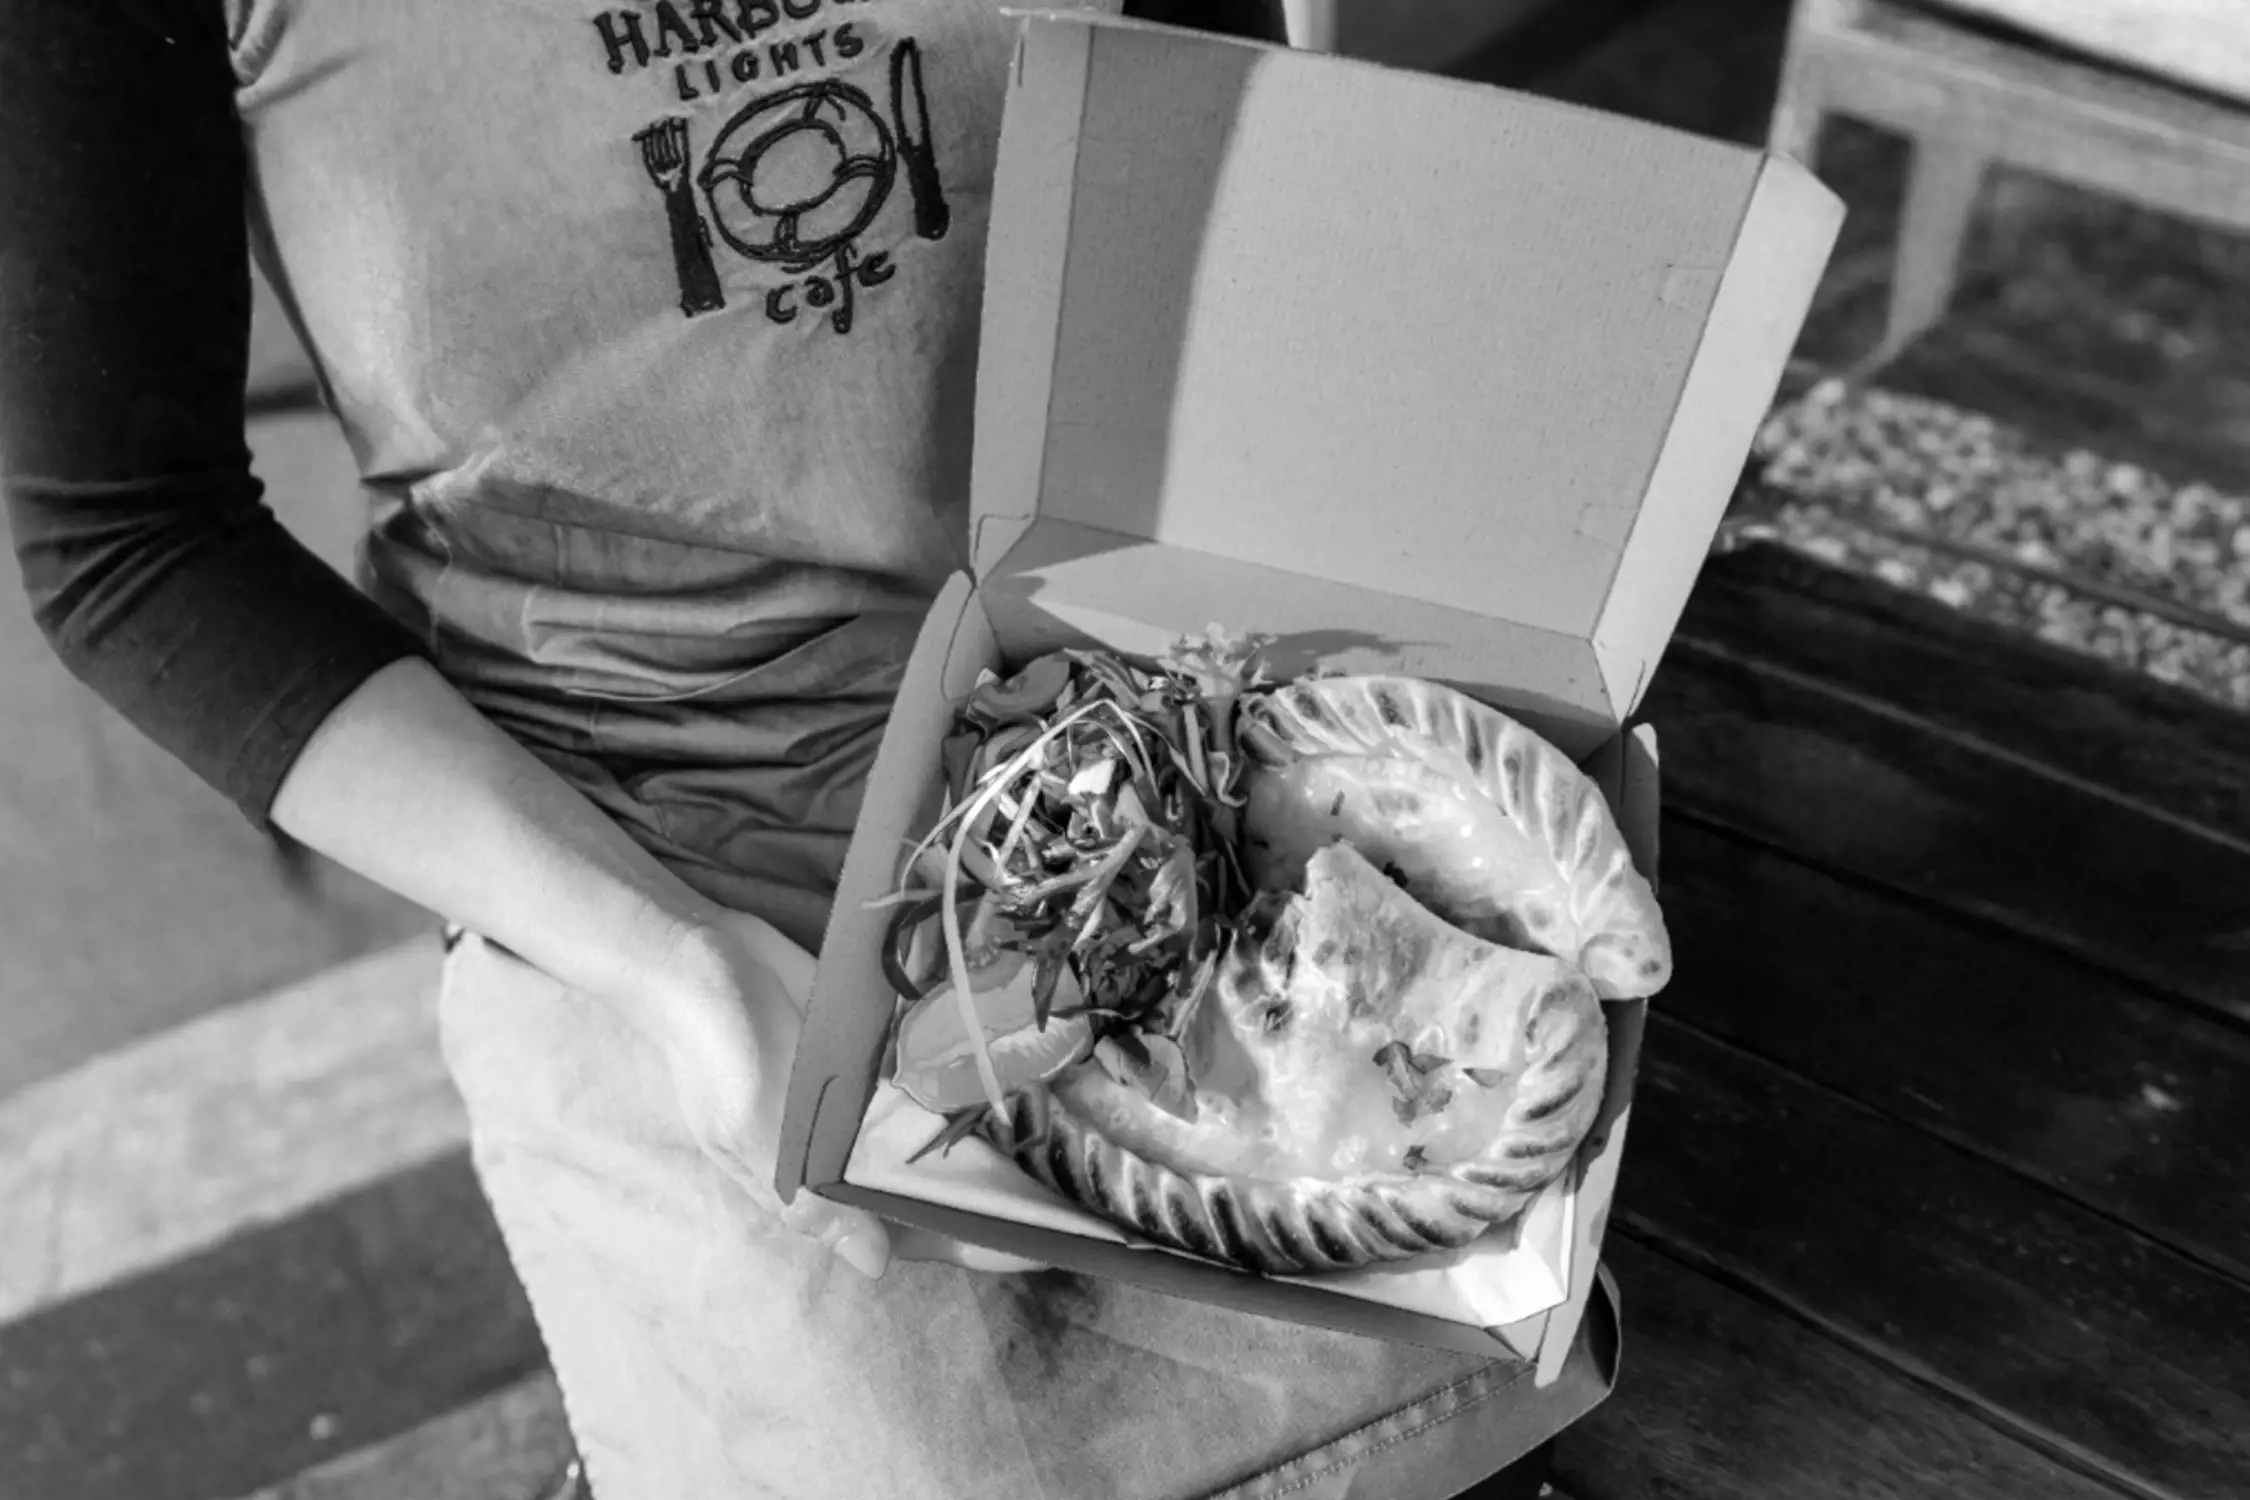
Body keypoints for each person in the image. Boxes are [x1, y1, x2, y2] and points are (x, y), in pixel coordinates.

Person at [2, 2, 1565, 1495]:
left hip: (1148, 748)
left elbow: (1254, 242)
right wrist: (672, 969)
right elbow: (133, 543)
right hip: (628, 839)